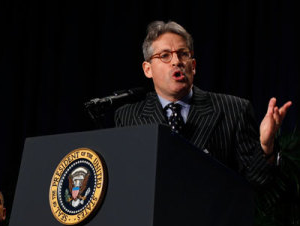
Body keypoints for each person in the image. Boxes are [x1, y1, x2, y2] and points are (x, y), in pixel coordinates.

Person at [114, 20, 292, 187]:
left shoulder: (234, 110)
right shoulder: (128, 117)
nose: (177, 62)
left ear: (193, 65)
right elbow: (125, 181)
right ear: (147, 69)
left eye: (183, 54)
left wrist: (265, 147)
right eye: (165, 55)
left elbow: (255, 181)